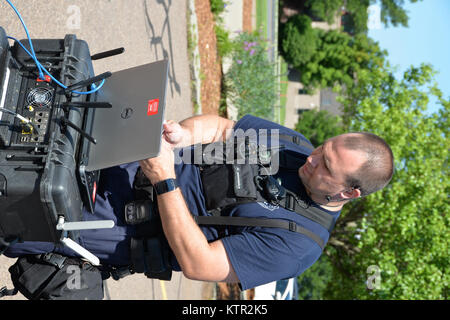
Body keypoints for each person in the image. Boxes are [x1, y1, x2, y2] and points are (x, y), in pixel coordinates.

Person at [3, 114, 394, 291]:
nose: (311, 158)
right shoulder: (294, 145)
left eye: (325, 165)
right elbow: (224, 127)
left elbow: (199, 264)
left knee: (18, 209)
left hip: (118, 225)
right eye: (323, 148)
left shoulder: (300, 244)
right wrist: (183, 135)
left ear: (348, 193)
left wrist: (165, 182)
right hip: (133, 160)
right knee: (26, 152)